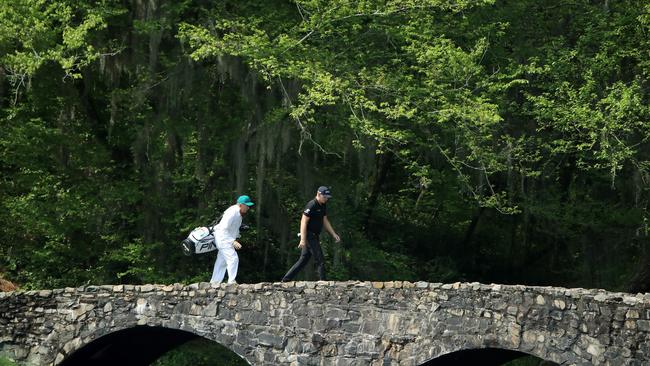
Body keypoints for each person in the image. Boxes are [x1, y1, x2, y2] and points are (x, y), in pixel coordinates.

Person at [282, 186, 341, 282]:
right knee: (320, 259)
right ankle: (323, 282)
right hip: (309, 235)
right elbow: (303, 222)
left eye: (327, 197)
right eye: (325, 197)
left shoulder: (323, 205)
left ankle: (285, 279)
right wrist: (303, 239)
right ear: (318, 194)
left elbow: (325, 220)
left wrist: (333, 234)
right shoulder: (312, 205)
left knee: (303, 260)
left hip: (315, 235)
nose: (326, 199)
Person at [210, 195, 254, 284]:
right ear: (241, 205)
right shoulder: (232, 212)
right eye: (247, 205)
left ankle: (214, 282)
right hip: (223, 238)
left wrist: (236, 238)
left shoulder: (239, 214)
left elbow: (234, 229)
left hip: (226, 239)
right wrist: (232, 241)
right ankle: (231, 282)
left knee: (221, 262)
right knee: (233, 258)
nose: (248, 208)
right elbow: (223, 228)